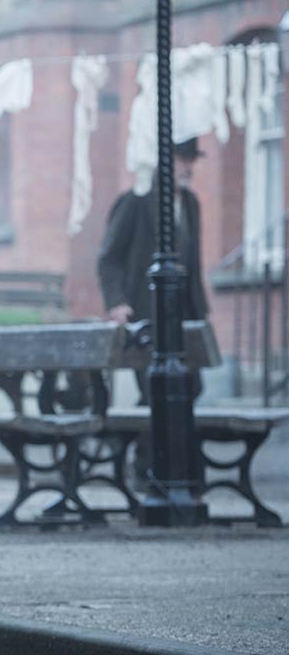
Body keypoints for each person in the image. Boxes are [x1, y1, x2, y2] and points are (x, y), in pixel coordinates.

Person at [97, 137, 210, 484]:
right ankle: (148, 467)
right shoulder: (136, 200)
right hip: (145, 318)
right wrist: (116, 302)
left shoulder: (190, 204)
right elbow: (109, 257)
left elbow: (193, 263)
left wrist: (201, 312)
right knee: (154, 391)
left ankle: (147, 450)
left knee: (192, 386)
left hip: (184, 318)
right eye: (181, 159)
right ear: (163, 160)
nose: (188, 167)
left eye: (191, 159)